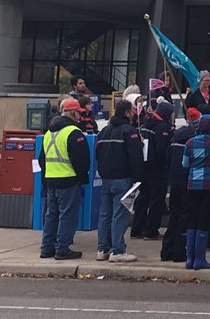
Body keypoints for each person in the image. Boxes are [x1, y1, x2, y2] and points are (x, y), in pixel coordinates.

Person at [39, 98, 91, 260]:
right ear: (72, 112)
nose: (80, 117)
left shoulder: (48, 133)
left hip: (51, 179)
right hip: (68, 180)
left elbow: (42, 159)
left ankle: (47, 248)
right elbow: (81, 161)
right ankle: (62, 248)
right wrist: (83, 178)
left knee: (51, 215)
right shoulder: (73, 133)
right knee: (67, 216)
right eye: (78, 114)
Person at [95, 99, 144, 263]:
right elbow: (136, 157)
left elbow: (98, 155)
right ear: (127, 113)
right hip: (123, 178)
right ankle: (117, 250)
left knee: (105, 214)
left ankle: (103, 249)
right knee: (119, 214)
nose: (133, 114)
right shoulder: (129, 132)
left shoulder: (104, 132)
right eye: (132, 111)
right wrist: (138, 179)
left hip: (106, 178)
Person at [181, 114, 210, 269]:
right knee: (204, 221)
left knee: (192, 220)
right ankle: (200, 259)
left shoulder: (190, 143)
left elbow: (185, 164)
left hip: (193, 184)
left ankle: (190, 259)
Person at [161, 107, 202, 262]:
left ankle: (166, 251)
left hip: (174, 181)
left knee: (174, 216)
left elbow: (167, 158)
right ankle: (179, 253)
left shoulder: (174, 137)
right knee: (185, 218)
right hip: (187, 182)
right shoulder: (194, 140)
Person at [131, 100, 175, 240]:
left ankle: (137, 229)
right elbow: (162, 150)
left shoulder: (145, 125)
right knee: (157, 200)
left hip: (144, 166)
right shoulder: (161, 127)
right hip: (157, 168)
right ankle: (151, 231)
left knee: (142, 198)